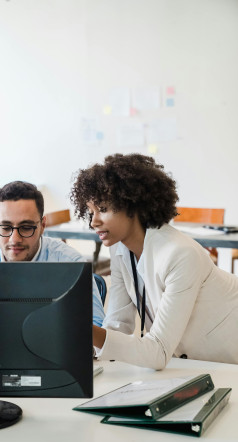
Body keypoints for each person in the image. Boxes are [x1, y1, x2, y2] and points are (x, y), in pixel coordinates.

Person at [70, 153, 238, 369]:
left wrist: (83, 329)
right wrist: (81, 346)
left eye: (103, 209)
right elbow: (118, 324)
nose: (94, 221)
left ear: (133, 205)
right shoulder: (121, 250)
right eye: (91, 212)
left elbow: (158, 352)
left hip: (229, 360)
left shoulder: (180, 254)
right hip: (194, 363)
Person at [0, 180, 105, 326]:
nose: (14, 239)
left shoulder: (71, 264)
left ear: (42, 225)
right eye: (5, 227)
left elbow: (97, 326)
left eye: (26, 227)